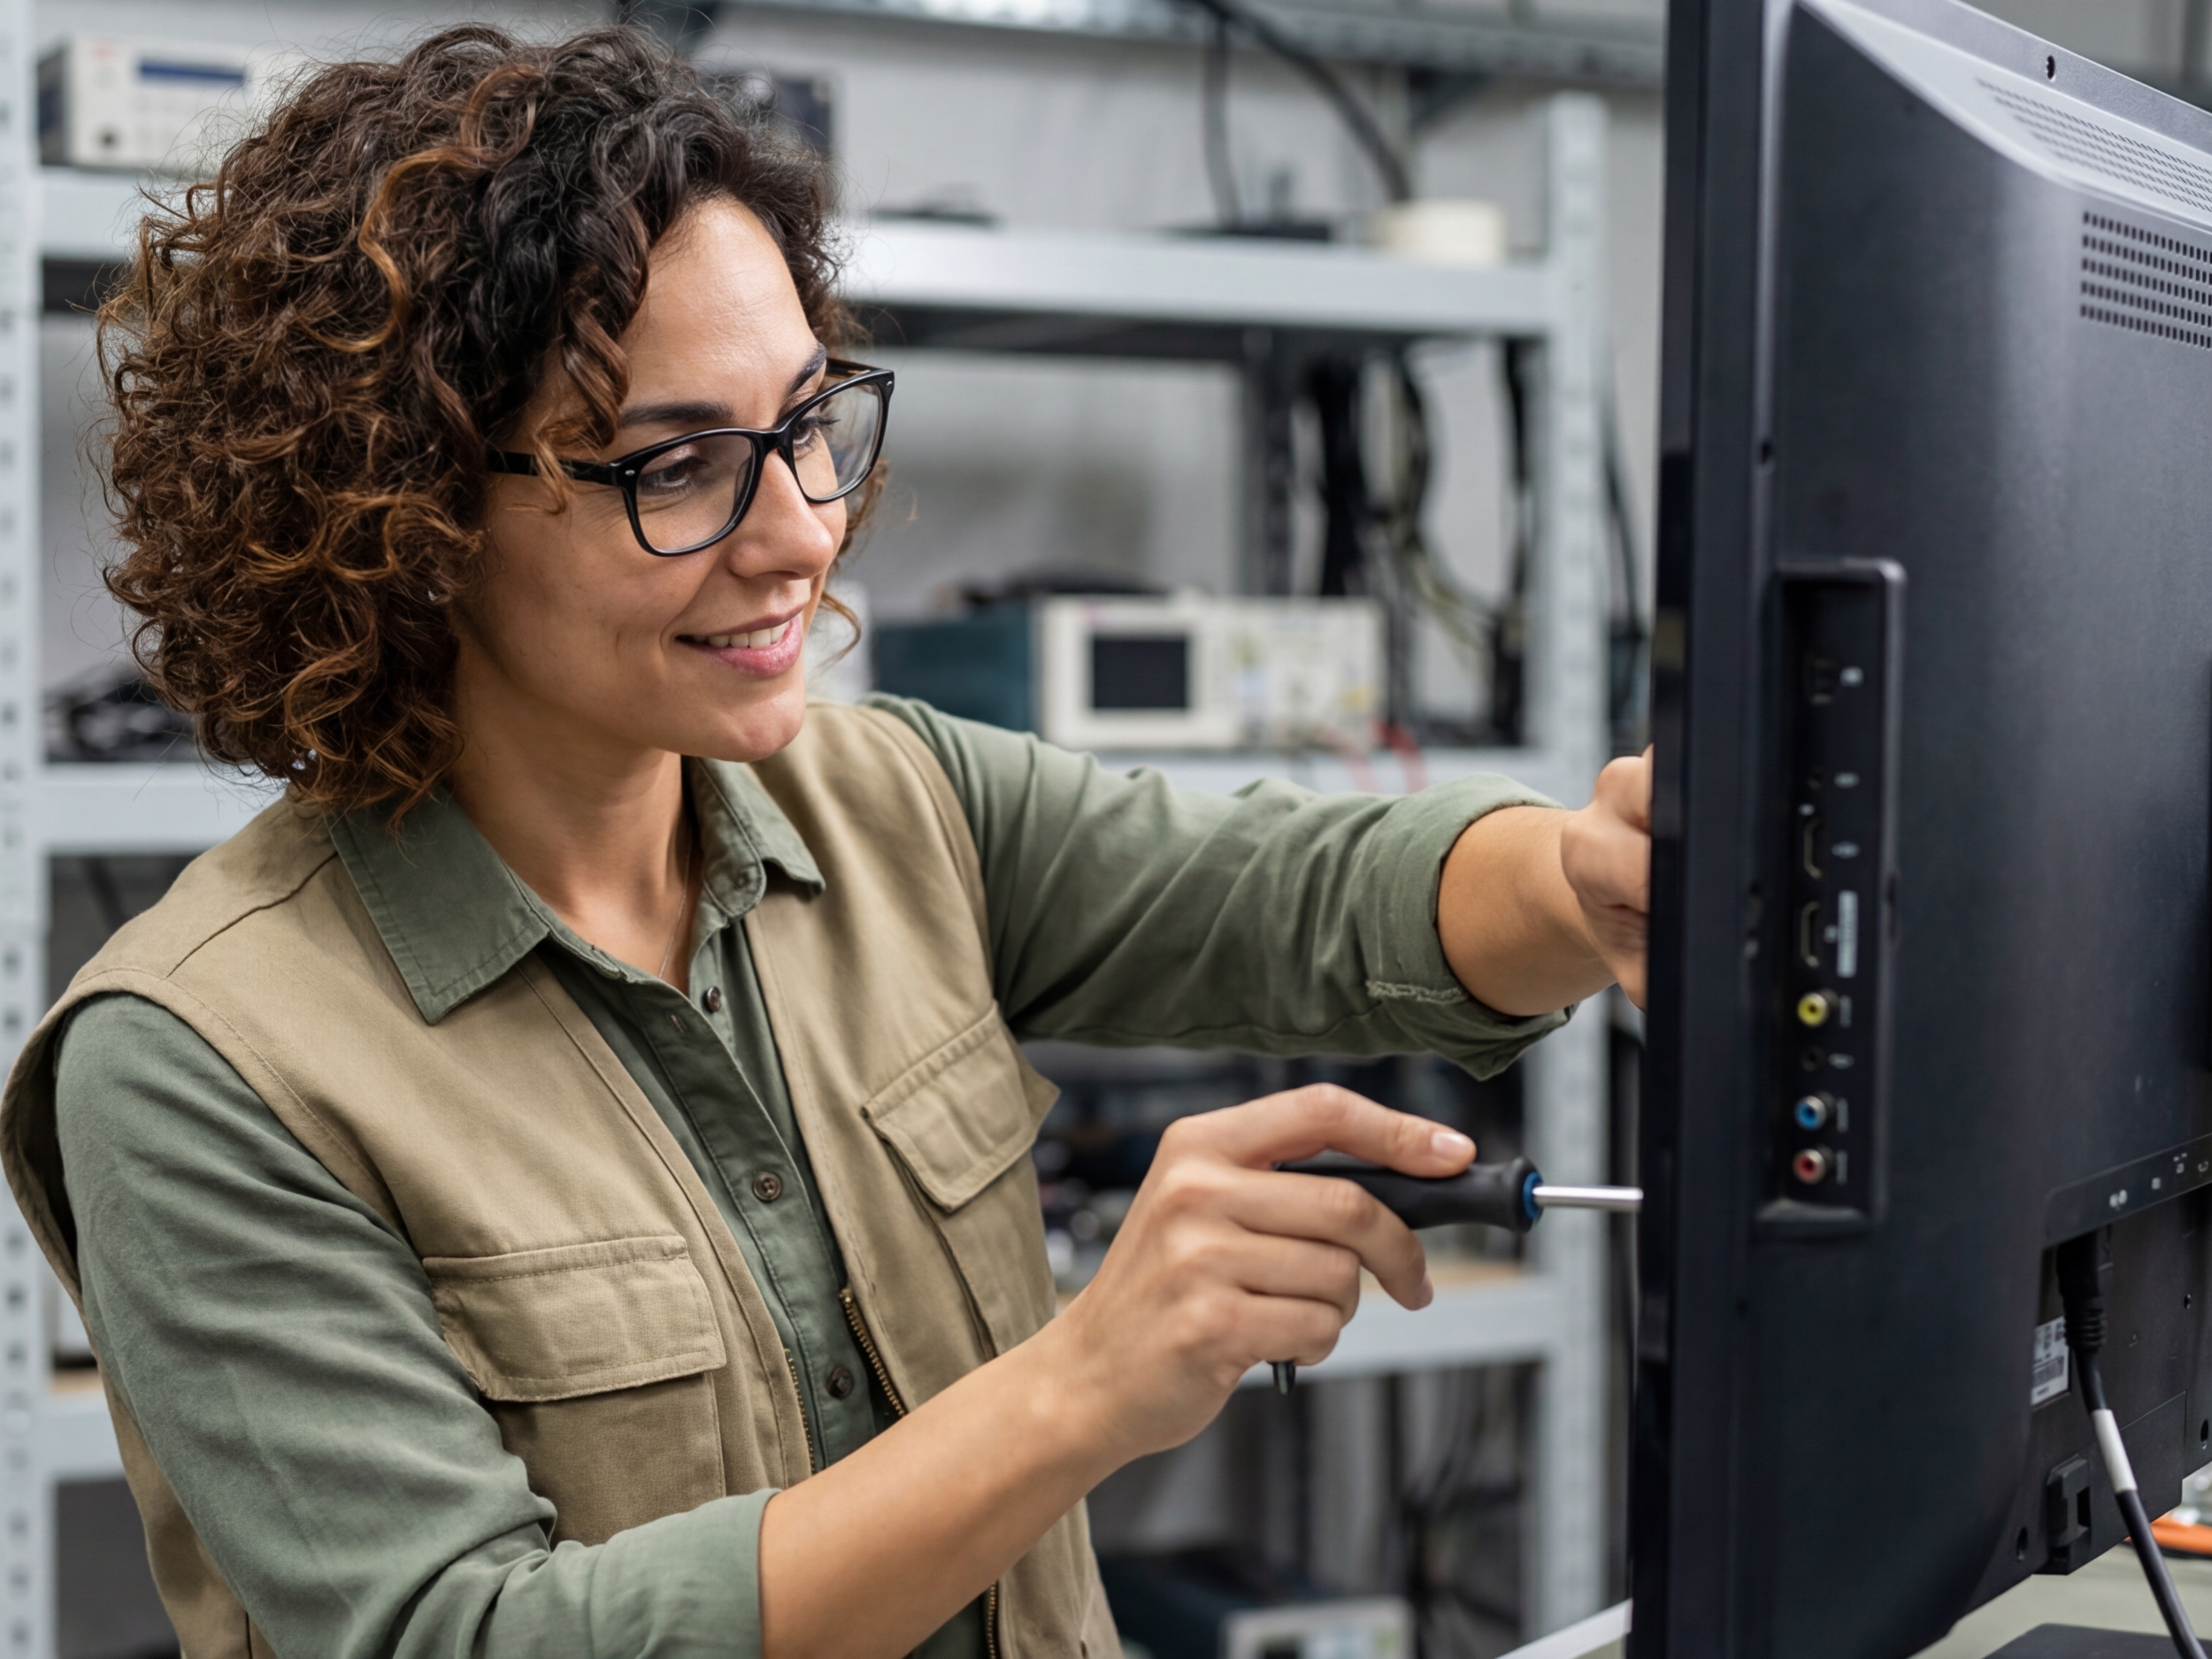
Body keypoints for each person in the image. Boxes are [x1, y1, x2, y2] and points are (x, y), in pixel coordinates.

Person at [0, 27, 1651, 1659]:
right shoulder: (198, 1067)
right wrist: (1079, 1389)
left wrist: (1581, 875)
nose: (801, 531)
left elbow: (1308, 898)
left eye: (806, 423)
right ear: (410, 514)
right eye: (678, 466)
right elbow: (468, 1639)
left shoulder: (890, 808)